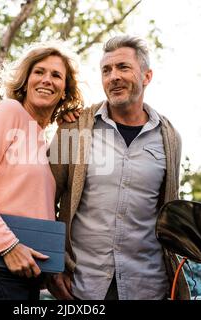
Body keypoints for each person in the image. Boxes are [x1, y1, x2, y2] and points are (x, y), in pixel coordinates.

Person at [47, 35, 189, 300]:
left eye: (123, 67)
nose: (113, 77)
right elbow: (44, 200)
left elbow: (168, 210)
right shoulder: (74, 128)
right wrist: (52, 269)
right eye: (106, 70)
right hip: (84, 286)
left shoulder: (169, 138)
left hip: (147, 287)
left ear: (147, 76)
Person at [0, 42, 83, 300]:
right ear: (25, 80)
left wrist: (71, 127)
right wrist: (7, 246)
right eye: (39, 72)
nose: (46, 80)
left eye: (56, 75)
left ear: (65, 92)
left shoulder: (43, 141)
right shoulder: (9, 112)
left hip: (27, 271)